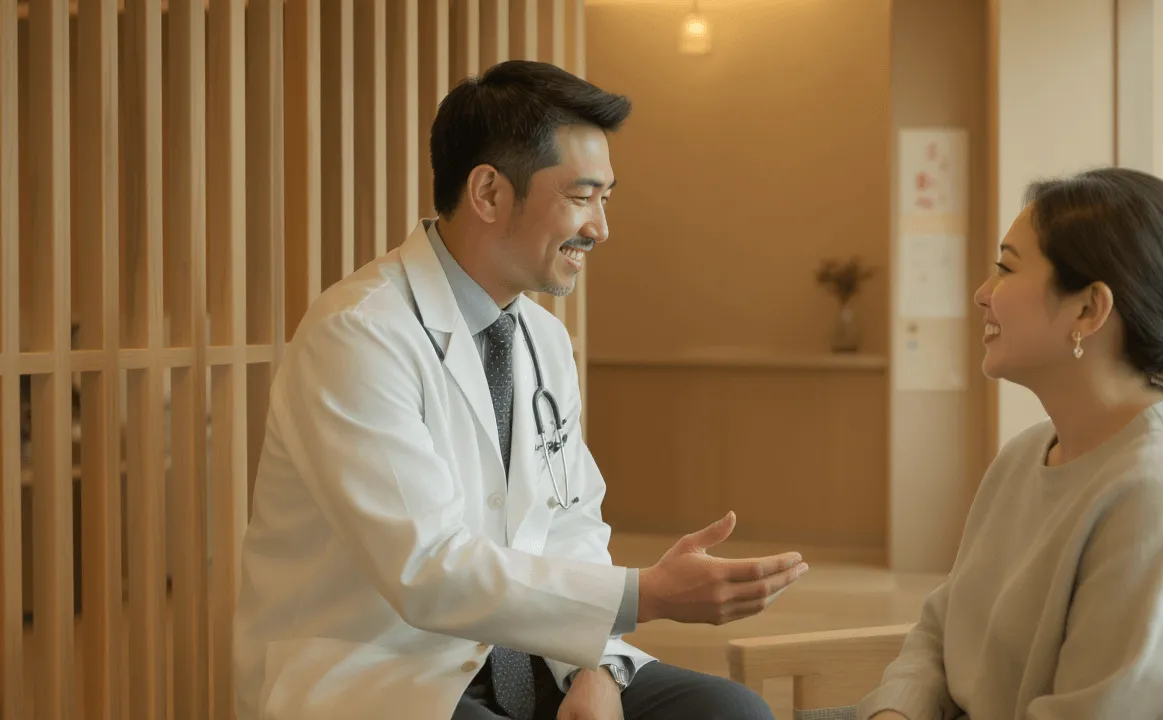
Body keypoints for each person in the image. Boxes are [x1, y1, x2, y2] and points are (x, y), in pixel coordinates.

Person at [233, 60, 804, 720]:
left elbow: (571, 519)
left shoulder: (541, 337)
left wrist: (600, 666)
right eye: (582, 196)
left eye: (606, 199)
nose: (600, 228)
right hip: (389, 671)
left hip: (542, 655)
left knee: (733, 715)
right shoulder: (356, 336)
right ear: (489, 193)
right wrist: (647, 594)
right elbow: (427, 571)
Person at [857, 168, 1163, 720]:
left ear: (1089, 309)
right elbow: (941, 630)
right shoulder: (1025, 455)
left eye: (1006, 269)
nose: (983, 294)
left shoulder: (1162, 495)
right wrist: (897, 712)